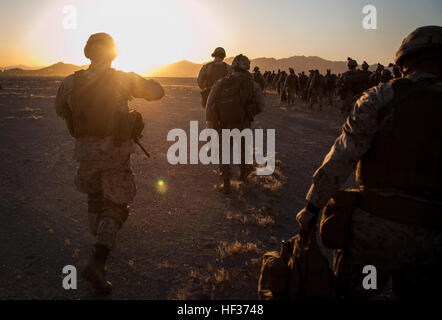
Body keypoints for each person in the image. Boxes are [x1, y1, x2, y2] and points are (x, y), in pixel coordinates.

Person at [296, 25, 442, 300]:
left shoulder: (381, 96)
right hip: (433, 240)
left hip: (375, 232)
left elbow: (344, 154)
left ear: (404, 61)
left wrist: (313, 206)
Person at [54, 32, 164, 294]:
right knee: (117, 204)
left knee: (95, 195)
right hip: (114, 151)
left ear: (88, 52)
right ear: (113, 53)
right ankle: (98, 259)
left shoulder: (71, 82)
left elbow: (61, 109)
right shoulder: (122, 79)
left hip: (85, 151)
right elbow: (157, 92)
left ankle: (99, 235)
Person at [205, 54, 266, 193]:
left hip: (223, 124)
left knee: (224, 151)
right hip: (242, 124)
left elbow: (210, 105)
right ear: (247, 67)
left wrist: (210, 125)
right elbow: (262, 105)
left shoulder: (222, 82)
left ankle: (226, 182)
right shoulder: (252, 84)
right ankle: (244, 178)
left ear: (233, 67)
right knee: (243, 150)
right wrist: (249, 114)